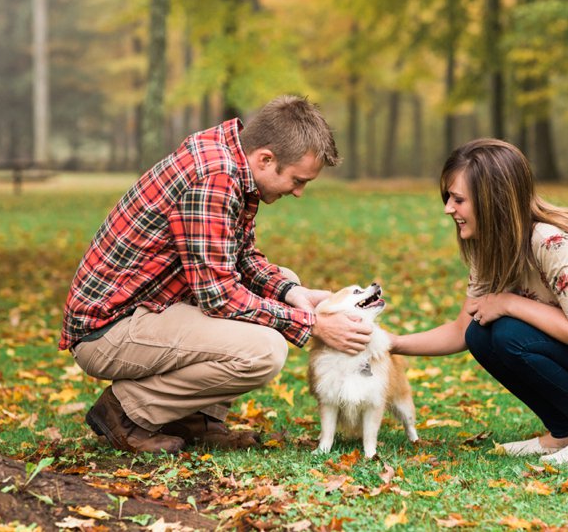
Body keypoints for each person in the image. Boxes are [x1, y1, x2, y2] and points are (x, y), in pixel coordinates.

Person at [59, 95, 372, 454]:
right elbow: (219, 296)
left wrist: (291, 293)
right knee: (264, 350)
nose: (299, 193)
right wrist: (312, 324)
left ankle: (191, 418)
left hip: (148, 308)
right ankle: (125, 412)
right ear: (266, 159)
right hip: (107, 329)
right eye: (298, 180)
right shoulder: (215, 178)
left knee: (285, 281)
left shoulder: (232, 160)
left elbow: (240, 258)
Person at [389, 138, 568, 468]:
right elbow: (461, 331)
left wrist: (509, 304)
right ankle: (564, 431)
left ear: (492, 200)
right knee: (481, 335)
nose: (448, 209)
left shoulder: (551, 241)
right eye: (447, 198)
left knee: (508, 332)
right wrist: (388, 344)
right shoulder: (490, 247)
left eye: (458, 199)